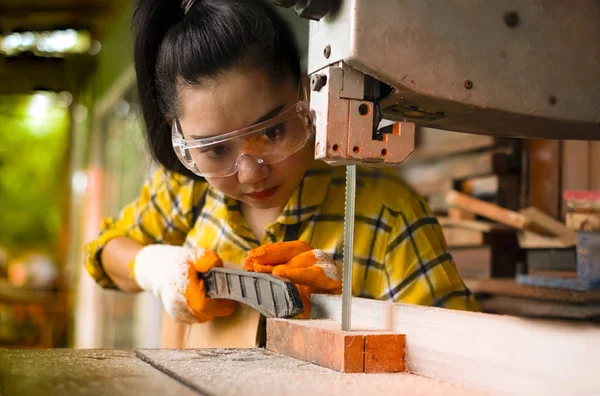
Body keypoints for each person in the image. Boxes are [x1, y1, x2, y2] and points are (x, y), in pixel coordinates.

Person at [84, 0, 479, 348]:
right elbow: (103, 253)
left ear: (305, 95)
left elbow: (458, 356)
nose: (252, 173)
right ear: (179, 133)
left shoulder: (389, 217)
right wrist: (156, 269)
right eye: (217, 149)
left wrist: (349, 308)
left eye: (272, 131)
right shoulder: (187, 191)